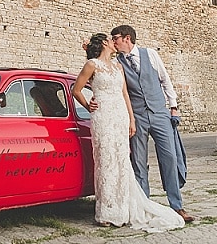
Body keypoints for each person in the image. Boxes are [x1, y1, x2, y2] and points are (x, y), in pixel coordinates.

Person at [72, 33, 185, 232]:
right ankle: (106, 211)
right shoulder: (92, 65)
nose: (114, 42)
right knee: (107, 162)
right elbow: (76, 89)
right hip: (103, 117)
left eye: (116, 38)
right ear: (105, 44)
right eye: (110, 39)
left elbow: (125, 94)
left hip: (121, 116)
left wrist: (131, 120)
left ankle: (127, 208)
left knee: (124, 162)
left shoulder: (119, 66)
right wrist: (88, 106)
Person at [110, 25, 194, 223]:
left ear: (127, 38)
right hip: (137, 118)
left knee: (170, 158)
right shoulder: (118, 62)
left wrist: (173, 106)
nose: (114, 42)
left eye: (116, 38)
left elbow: (165, 80)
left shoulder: (151, 55)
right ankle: (143, 207)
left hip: (159, 114)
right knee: (139, 163)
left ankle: (176, 206)